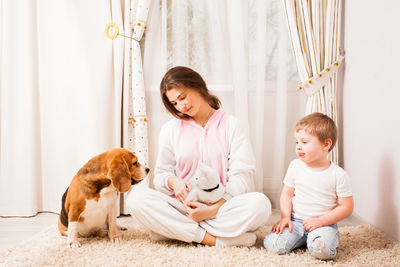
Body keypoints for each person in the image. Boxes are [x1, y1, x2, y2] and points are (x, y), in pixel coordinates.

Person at [126, 66, 271, 247]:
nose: (181, 106)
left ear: (198, 86)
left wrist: (212, 209)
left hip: (221, 207)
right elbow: (162, 175)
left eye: (182, 97)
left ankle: (175, 231)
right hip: (183, 208)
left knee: (260, 204)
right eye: (174, 103)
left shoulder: (232, 125)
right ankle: (214, 239)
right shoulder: (170, 130)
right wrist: (174, 182)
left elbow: (242, 175)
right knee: (136, 199)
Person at [263, 112, 354, 260]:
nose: (298, 147)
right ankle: (303, 239)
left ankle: (316, 240)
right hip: (296, 222)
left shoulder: (338, 175)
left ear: (326, 144)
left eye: (304, 142)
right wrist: (285, 217)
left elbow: (346, 207)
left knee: (321, 249)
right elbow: (287, 193)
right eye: (296, 142)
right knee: (274, 244)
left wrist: (321, 221)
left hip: (324, 224)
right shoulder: (295, 166)